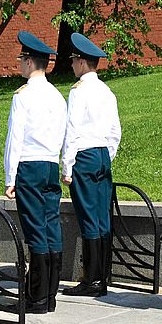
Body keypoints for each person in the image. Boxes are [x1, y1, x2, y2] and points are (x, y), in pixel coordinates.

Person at [4, 31, 68, 313]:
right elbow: (66, 134)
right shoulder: (57, 96)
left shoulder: (23, 96)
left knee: (35, 231)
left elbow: (14, 138)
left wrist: (10, 176)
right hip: (50, 165)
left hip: (29, 166)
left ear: (29, 62)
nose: (19, 65)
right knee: (51, 226)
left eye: (21, 60)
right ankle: (49, 295)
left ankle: (37, 296)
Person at [60, 32, 122, 297]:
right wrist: (107, 155)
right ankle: (101, 277)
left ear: (83, 62)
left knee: (88, 218)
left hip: (84, 156)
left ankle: (92, 280)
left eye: (74, 60)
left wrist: (67, 165)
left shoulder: (79, 92)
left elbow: (71, 130)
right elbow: (115, 131)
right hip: (101, 155)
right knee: (101, 218)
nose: (72, 64)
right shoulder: (106, 91)